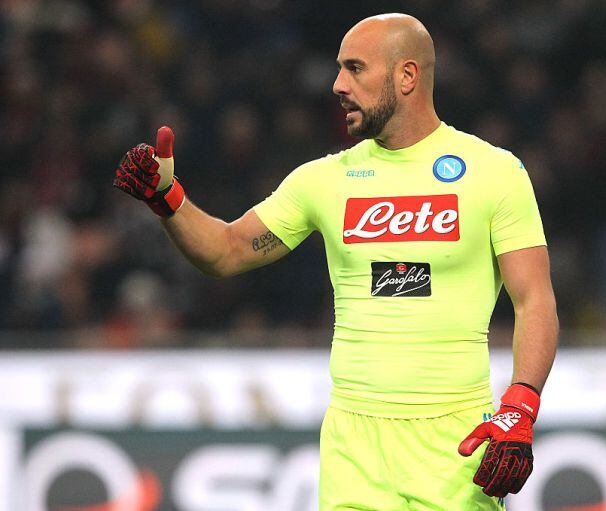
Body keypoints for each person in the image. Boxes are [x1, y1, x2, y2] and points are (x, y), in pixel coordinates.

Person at [113, 13, 559, 511]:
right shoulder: (323, 180)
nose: (337, 85)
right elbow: (227, 250)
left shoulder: (495, 173)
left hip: (455, 446)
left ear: (406, 76)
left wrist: (520, 407)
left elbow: (534, 299)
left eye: (355, 69)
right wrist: (166, 198)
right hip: (353, 450)